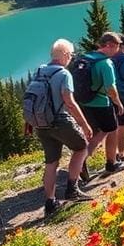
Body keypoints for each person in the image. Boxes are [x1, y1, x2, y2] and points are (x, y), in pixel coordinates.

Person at [35, 39, 94, 217]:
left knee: (51, 162)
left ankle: (50, 202)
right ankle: (72, 189)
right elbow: (69, 102)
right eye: (71, 55)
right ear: (66, 55)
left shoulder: (40, 71)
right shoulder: (63, 74)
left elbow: (34, 98)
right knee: (81, 147)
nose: (71, 58)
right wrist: (84, 124)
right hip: (59, 121)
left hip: (41, 123)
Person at [78, 31, 124, 178]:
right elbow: (110, 88)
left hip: (84, 103)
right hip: (100, 103)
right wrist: (118, 103)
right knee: (111, 130)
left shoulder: (85, 58)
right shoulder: (105, 63)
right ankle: (110, 164)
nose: (118, 49)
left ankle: (81, 161)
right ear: (110, 45)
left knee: (94, 132)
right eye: (118, 46)